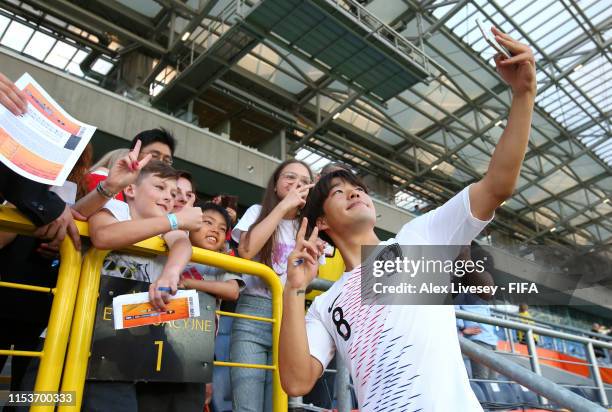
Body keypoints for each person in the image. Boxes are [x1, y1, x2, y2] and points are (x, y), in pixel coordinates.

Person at [279, 28, 536, 411]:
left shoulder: (419, 236)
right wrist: (292, 289)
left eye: (358, 188)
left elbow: (498, 183)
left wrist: (522, 95)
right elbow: (297, 379)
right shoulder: (325, 304)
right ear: (322, 225)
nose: (354, 192)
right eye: (338, 192)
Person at [84, 160, 203, 411]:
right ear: (130, 190)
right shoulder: (115, 209)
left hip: (115, 358)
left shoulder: (166, 230)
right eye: (160, 188)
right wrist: (174, 219)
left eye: (173, 195)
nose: (168, 198)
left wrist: (169, 274)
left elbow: (182, 244)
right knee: (36, 400)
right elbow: (104, 235)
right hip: (72, 335)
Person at [136, 202, 244, 412]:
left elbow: (232, 291)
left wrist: (189, 283)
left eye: (222, 228)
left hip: (195, 356)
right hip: (155, 350)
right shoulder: (168, 250)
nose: (215, 230)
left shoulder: (221, 261)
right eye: (208, 223)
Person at [230, 159, 317, 412]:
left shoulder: (309, 228)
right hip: (252, 314)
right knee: (247, 406)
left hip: (290, 318)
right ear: (276, 185)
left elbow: (309, 278)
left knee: (277, 407)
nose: (296, 185)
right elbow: (246, 250)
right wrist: (282, 209)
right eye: (289, 178)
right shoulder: (258, 211)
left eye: (303, 182)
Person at [85, 127, 177, 198]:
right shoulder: (105, 177)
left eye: (166, 160)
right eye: (154, 156)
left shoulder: (160, 197)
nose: (161, 163)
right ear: (134, 153)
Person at [454, 244, 499, 381]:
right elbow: (455, 308)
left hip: (490, 340)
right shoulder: (462, 288)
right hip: (478, 340)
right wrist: (463, 330)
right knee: (483, 381)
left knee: (493, 382)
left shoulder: (482, 292)